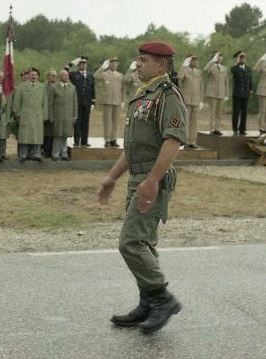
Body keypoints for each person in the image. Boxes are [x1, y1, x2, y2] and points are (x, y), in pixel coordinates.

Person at [97, 41, 185, 333]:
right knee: (144, 243)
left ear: (162, 65)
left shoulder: (167, 95)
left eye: (144, 60)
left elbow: (173, 141)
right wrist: (112, 177)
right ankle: (148, 301)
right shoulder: (142, 95)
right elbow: (133, 148)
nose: (137, 63)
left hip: (152, 178)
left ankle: (163, 299)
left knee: (130, 243)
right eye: (139, 59)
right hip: (139, 175)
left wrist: (152, 181)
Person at [12, 67, 48, 162]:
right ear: (28, 76)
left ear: (38, 76)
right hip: (25, 115)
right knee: (25, 136)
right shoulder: (21, 87)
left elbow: (45, 102)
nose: (34, 77)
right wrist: (17, 115)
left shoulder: (42, 87)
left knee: (37, 136)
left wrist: (45, 115)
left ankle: (37, 154)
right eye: (32, 75)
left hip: (37, 115)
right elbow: (16, 102)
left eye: (35, 75)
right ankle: (23, 155)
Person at [95, 57, 124, 147]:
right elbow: (95, 76)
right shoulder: (104, 74)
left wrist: (123, 100)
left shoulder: (120, 75)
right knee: (107, 122)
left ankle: (113, 139)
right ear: (109, 64)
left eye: (116, 63)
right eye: (112, 63)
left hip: (117, 101)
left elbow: (122, 89)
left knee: (115, 122)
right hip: (107, 101)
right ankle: (107, 139)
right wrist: (102, 67)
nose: (114, 65)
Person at [50, 70, 78, 161]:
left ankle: (64, 153)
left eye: (66, 75)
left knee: (65, 135)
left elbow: (75, 103)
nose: (66, 77)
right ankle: (55, 154)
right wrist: (51, 115)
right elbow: (50, 103)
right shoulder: (54, 87)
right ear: (60, 77)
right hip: (57, 114)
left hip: (68, 115)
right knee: (57, 134)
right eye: (63, 75)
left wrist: (75, 115)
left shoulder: (72, 87)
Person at [67, 56, 95, 147]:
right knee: (77, 122)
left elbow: (92, 89)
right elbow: (63, 72)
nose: (83, 65)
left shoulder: (90, 75)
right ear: (78, 65)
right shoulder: (73, 74)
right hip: (77, 101)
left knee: (85, 122)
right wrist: (71, 63)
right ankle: (76, 141)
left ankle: (84, 141)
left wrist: (93, 102)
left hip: (87, 102)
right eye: (81, 64)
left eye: (85, 64)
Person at [178, 54, 203, 147]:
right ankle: (185, 141)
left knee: (194, 122)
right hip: (187, 100)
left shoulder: (198, 72)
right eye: (192, 60)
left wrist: (201, 100)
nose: (194, 62)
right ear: (188, 61)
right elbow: (179, 77)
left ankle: (192, 141)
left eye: (196, 60)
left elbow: (201, 87)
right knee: (186, 121)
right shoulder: (185, 71)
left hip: (196, 100)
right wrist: (184, 65)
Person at [203, 51, 228, 135]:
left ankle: (217, 128)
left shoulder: (224, 68)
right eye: (218, 56)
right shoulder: (211, 67)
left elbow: (226, 82)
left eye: (221, 56)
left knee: (219, 112)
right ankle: (212, 128)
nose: (220, 58)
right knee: (212, 112)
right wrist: (211, 61)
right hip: (212, 93)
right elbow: (205, 69)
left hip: (221, 93)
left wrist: (226, 93)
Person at [230, 51, 253, 135]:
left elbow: (250, 80)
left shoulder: (248, 69)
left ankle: (242, 128)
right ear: (238, 59)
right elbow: (233, 72)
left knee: (244, 112)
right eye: (241, 58)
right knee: (236, 112)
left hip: (245, 93)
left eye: (244, 58)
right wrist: (236, 62)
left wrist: (250, 89)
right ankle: (235, 128)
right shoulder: (235, 68)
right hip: (237, 93)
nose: (242, 59)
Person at [43, 70, 57, 157]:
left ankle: (52, 151)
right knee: (45, 133)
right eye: (52, 75)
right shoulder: (43, 86)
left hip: (55, 112)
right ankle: (45, 151)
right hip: (45, 111)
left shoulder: (57, 86)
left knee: (53, 133)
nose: (54, 77)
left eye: (55, 76)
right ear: (48, 77)